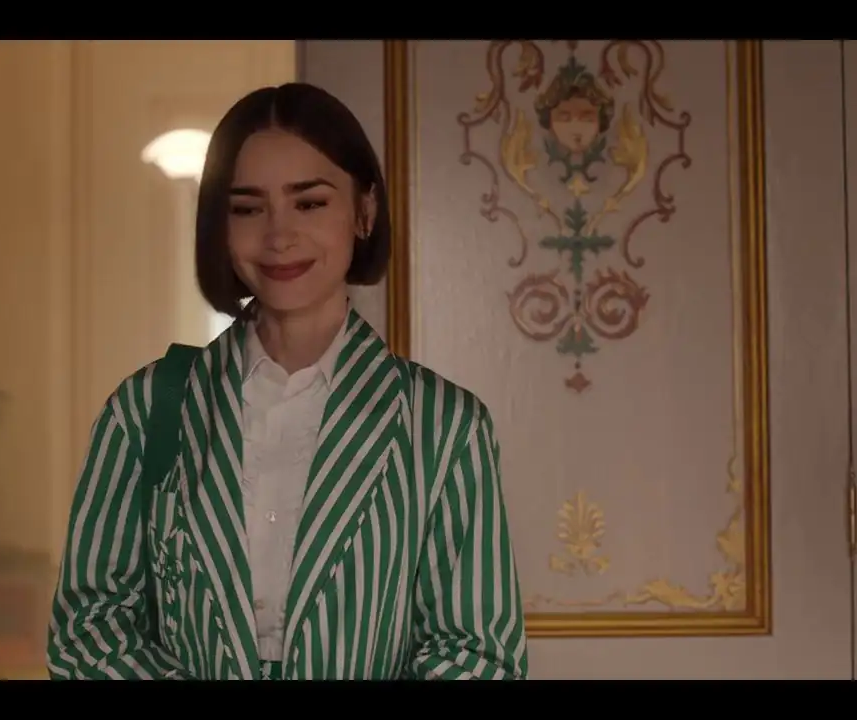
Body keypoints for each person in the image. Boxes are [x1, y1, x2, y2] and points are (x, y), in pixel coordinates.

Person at [46, 82, 528, 680]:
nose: (278, 236)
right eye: (248, 208)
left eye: (309, 203)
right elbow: (88, 632)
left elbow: (478, 654)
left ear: (364, 211)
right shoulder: (145, 409)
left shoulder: (446, 427)